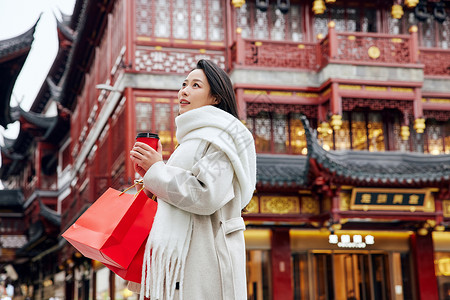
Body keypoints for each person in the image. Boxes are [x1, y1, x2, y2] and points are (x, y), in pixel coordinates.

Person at [129, 59, 256, 300]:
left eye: (196, 85)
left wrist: (157, 169)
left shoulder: (222, 137)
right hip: (187, 257)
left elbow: (205, 194)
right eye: (184, 84)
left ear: (216, 98)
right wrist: (151, 175)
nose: (184, 90)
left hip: (206, 256)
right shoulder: (192, 140)